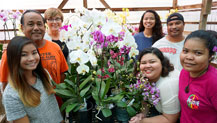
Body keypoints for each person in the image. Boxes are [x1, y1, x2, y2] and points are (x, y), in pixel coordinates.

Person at [0, 10, 68, 91]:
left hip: (55, 101)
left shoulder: (55, 47)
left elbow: (62, 75)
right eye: (30, 24)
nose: (36, 28)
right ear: (22, 28)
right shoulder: (11, 52)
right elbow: (5, 84)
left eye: (39, 24)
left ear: (44, 27)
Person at [3, 36, 63, 122]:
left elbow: (54, 110)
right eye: (24, 55)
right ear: (13, 58)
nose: (31, 58)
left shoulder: (44, 75)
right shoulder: (11, 95)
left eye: (34, 52)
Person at [129, 47, 180, 123]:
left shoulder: (168, 84)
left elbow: (170, 119)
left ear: (162, 63)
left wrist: (141, 121)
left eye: (152, 62)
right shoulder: (144, 76)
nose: (147, 66)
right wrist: (142, 114)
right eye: (143, 63)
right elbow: (145, 97)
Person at [179, 30, 217, 123]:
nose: (189, 57)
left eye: (198, 53)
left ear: (210, 56)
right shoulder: (184, 72)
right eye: (185, 51)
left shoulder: (214, 82)